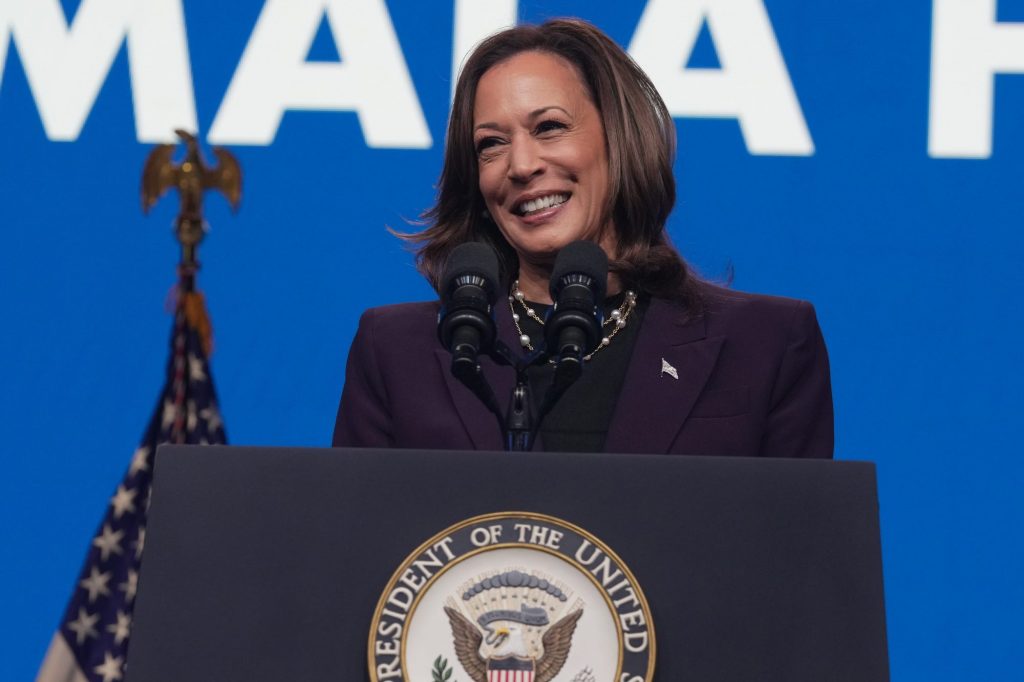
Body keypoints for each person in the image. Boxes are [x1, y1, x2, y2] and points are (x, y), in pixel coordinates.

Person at [333, 19, 832, 458]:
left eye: (549, 127)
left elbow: (800, 556)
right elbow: (355, 551)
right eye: (491, 144)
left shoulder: (765, 344)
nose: (522, 166)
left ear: (620, 137)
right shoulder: (398, 353)